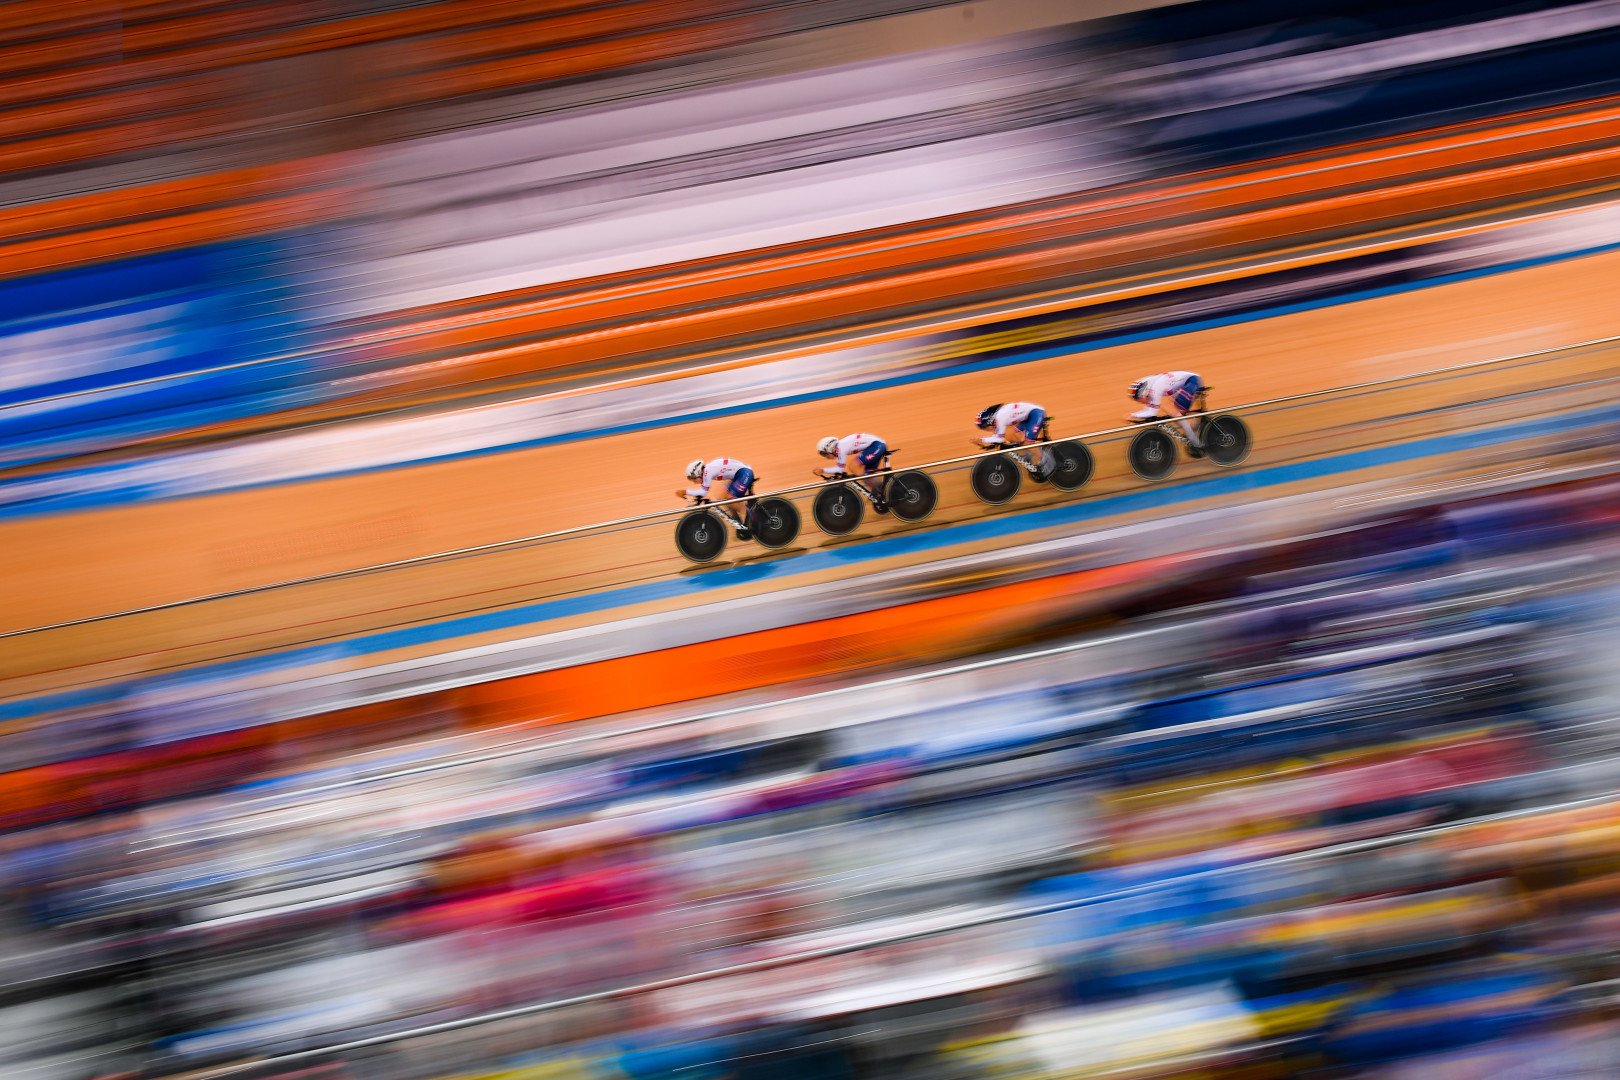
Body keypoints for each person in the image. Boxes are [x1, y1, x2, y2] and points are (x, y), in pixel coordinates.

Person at [1128, 372, 1207, 455]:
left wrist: (1133, 415)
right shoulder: (1151, 387)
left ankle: (1197, 445)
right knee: (1174, 412)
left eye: (1138, 399)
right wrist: (1136, 416)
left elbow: (1152, 412)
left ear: (1142, 393)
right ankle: (1194, 431)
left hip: (1192, 381)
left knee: (1178, 415)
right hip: (1187, 383)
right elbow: (1149, 410)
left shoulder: (1156, 387)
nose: (1139, 402)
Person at [680, 457, 757, 539]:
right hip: (741, 474)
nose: (694, 482)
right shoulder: (708, 470)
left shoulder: (707, 472)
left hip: (744, 473)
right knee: (721, 495)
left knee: (730, 497)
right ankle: (739, 522)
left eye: (694, 479)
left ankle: (754, 521)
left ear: (698, 473)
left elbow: (703, 492)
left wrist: (685, 492)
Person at [974, 402, 1053, 479]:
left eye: (984, 427)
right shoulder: (997, 417)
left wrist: (982, 440)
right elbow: (999, 437)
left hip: (1036, 414)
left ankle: (1047, 463)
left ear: (989, 421)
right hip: (1029, 416)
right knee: (1012, 437)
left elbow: (999, 438)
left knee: (1027, 443)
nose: (985, 430)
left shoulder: (999, 418)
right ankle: (1029, 456)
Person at [815, 433, 891, 510]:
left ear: (829, 448)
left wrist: (823, 470)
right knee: (867, 474)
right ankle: (884, 493)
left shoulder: (840, 448)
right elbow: (839, 469)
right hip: (877, 445)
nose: (826, 457)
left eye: (825, 454)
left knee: (853, 466)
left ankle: (880, 488)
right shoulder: (840, 447)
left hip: (877, 446)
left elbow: (840, 469)